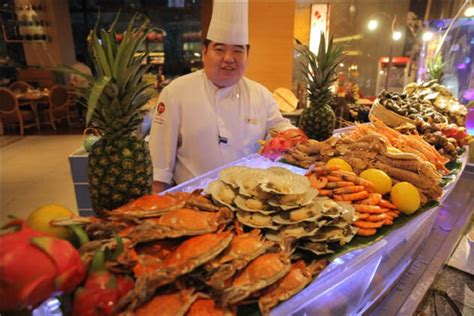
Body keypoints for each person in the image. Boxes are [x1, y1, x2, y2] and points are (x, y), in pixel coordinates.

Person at [148, 0, 294, 193]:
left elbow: (280, 129)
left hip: (248, 202)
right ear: (204, 52)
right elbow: (160, 163)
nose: (228, 58)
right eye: (219, 49)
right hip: (193, 202)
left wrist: (293, 136)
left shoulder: (261, 94)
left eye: (237, 50)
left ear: (247, 55)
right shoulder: (176, 92)